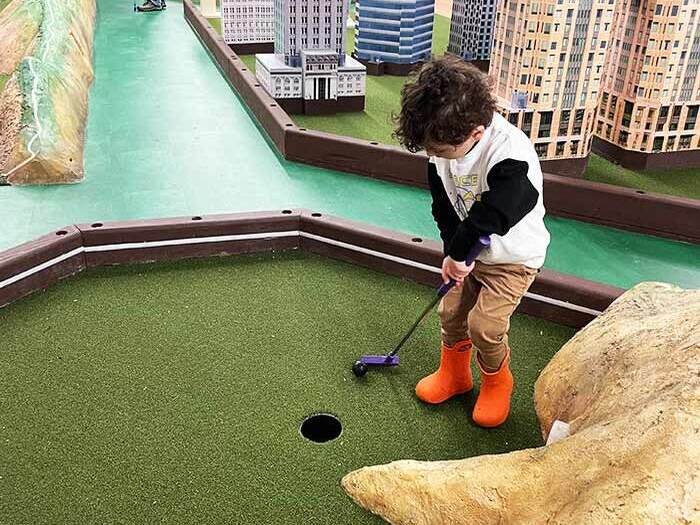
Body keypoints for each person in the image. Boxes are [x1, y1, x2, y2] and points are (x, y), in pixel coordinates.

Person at [394, 56, 550, 428]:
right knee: (451, 313)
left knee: (485, 326)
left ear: (476, 133)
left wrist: (461, 252)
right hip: (471, 254)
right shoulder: (442, 141)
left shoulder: (511, 156)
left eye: (439, 151)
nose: (433, 156)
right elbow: (444, 207)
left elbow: (493, 215)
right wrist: (453, 251)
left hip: (513, 259)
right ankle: (455, 374)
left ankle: (497, 382)